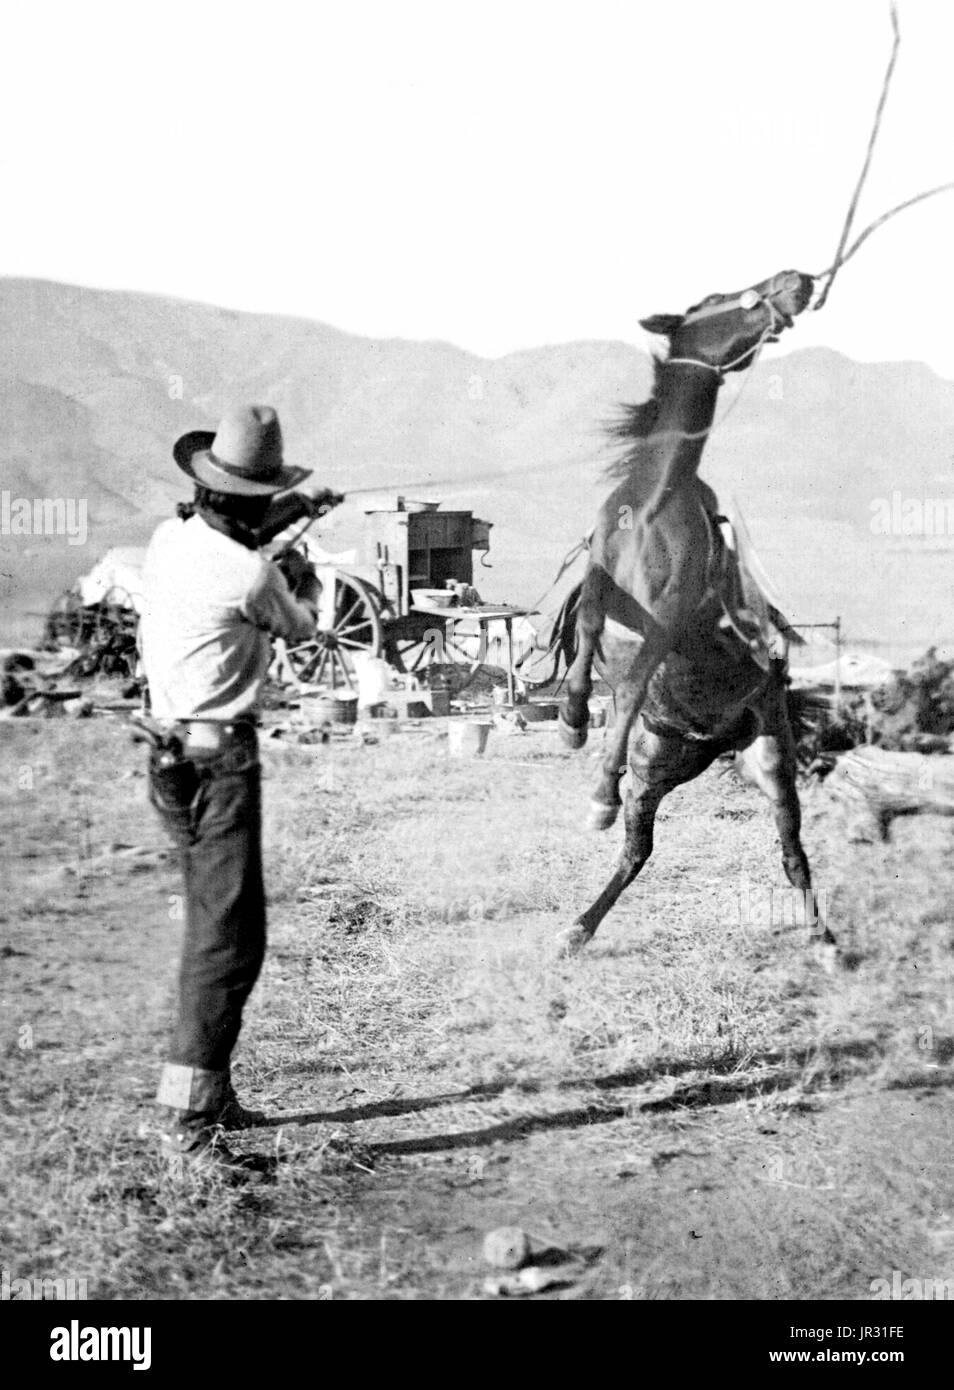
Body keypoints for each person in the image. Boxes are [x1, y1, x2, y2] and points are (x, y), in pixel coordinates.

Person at [138, 404, 340, 1175]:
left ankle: (210, 1093)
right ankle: (187, 1128)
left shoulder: (169, 539)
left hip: (170, 758)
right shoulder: (253, 572)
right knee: (226, 944)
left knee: (219, 932)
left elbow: (227, 540)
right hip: (220, 765)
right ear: (255, 503)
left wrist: (285, 520)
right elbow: (303, 626)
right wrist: (303, 567)